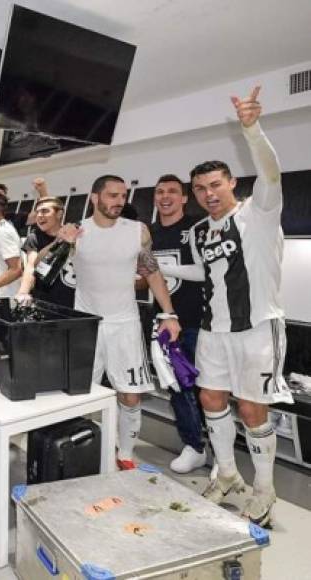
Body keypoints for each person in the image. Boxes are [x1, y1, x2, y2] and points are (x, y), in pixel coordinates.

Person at [164, 87, 288, 527]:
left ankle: (266, 491)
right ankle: (229, 474)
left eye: (215, 184)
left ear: (231, 183)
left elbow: (271, 174)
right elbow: (205, 272)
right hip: (215, 330)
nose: (208, 193)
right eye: (199, 188)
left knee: (252, 409)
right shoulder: (200, 231)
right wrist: (166, 271)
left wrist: (252, 129)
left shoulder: (259, 212)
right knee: (210, 398)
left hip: (257, 327)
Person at [61, 175, 181, 470]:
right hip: (87, 325)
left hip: (124, 324)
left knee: (130, 395)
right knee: (81, 395)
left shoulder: (138, 231)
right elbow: (40, 264)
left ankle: (126, 454)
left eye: (122, 196)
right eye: (112, 195)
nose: (118, 202)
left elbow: (151, 272)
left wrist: (169, 313)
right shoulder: (77, 232)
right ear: (95, 198)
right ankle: (83, 449)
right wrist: (61, 243)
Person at [149, 174, 207, 473]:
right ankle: (194, 445)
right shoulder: (150, 233)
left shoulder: (196, 229)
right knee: (177, 386)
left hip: (195, 322)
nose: (165, 196)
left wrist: (163, 268)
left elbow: (206, 271)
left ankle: (211, 447)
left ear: (184, 198)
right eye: (160, 192)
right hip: (161, 323)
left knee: (204, 388)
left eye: (172, 191)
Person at [15, 196, 76, 308]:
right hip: (44, 301)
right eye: (37, 212)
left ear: (59, 214)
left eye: (45, 211)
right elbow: (31, 266)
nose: (39, 215)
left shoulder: (74, 234)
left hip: (73, 302)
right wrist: (23, 292)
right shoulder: (34, 237)